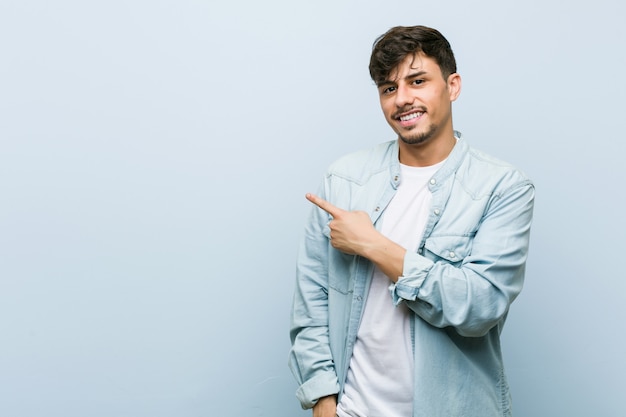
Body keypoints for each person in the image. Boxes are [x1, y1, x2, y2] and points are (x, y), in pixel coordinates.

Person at [288, 25, 534, 417]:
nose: (402, 99)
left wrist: (373, 245)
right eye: (388, 88)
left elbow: (480, 306)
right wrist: (323, 400)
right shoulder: (344, 180)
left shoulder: (503, 187)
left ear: (452, 86)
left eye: (417, 81)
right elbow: (312, 302)